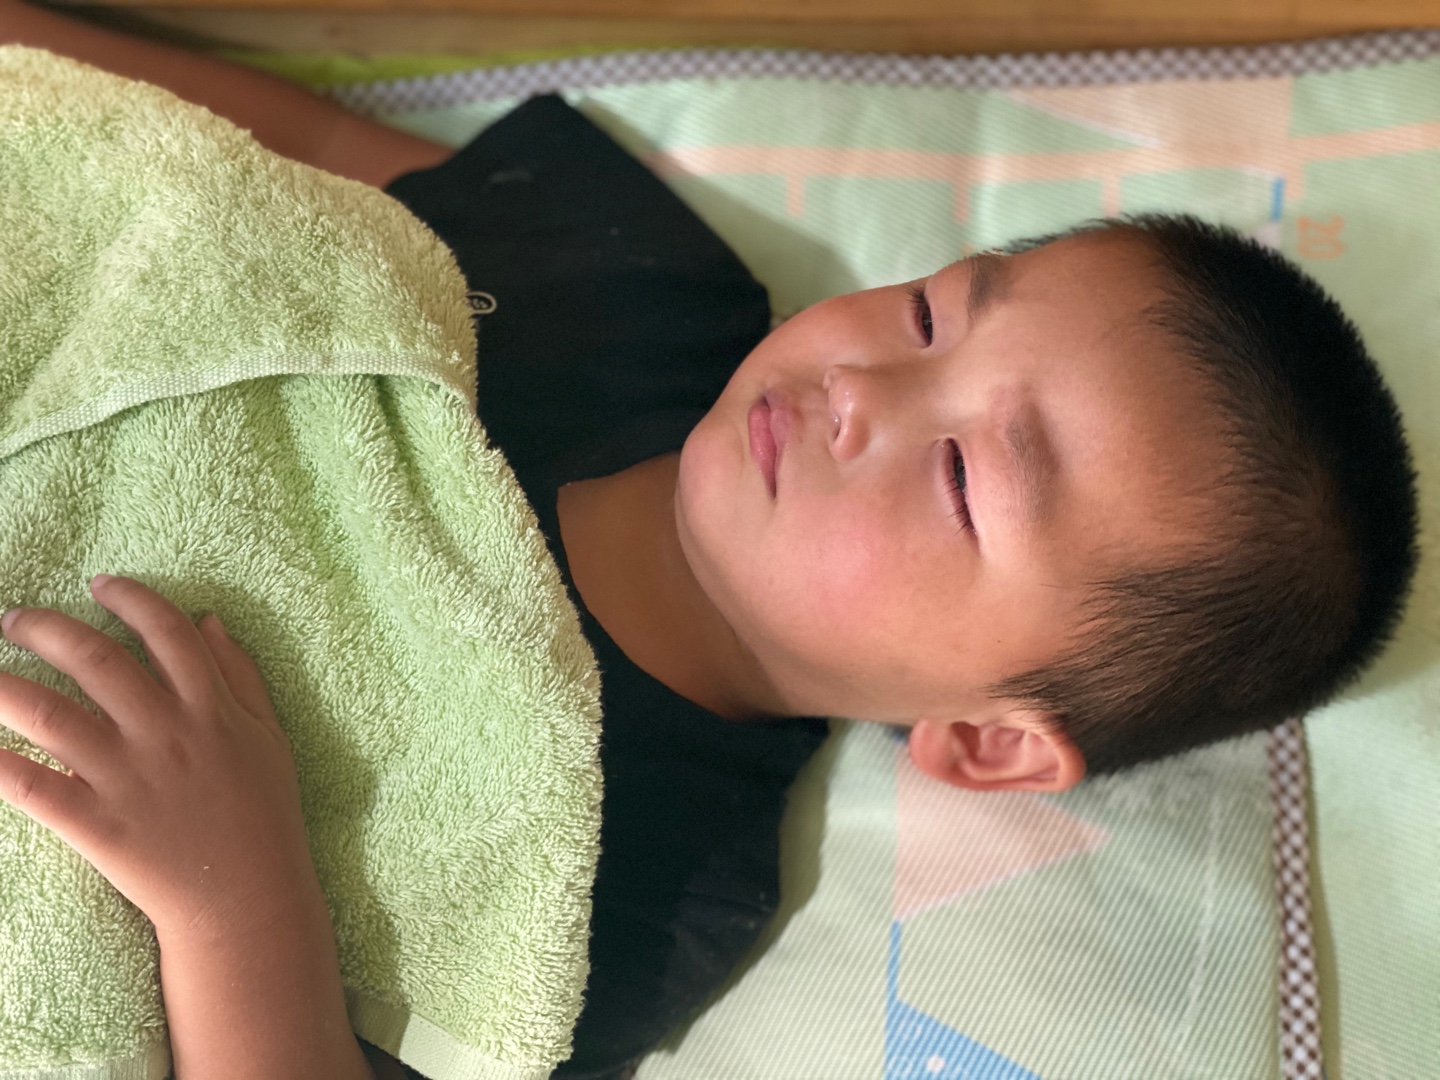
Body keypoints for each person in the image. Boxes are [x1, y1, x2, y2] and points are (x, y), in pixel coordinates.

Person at [0, 3, 1419, 1079]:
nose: (864, 389)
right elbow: (265, 162)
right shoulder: (641, 286)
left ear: (988, 740)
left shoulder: (646, 872)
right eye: (931, 312)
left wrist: (232, 899)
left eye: (961, 481)